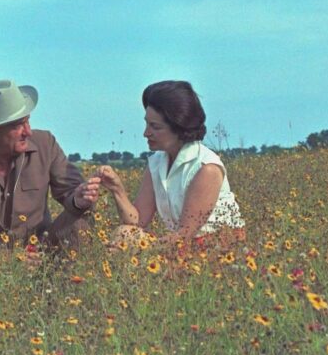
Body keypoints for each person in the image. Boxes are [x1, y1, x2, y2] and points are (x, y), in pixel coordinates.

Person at [0, 79, 101, 262]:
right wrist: (7, 259)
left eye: (28, 122)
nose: (28, 132)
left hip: (44, 251)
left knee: (80, 218)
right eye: (17, 125)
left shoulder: (45, 145)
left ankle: (69, 284)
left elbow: (71, 192)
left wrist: (79, 200)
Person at [98, 80, 245, 253]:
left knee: (124, 243)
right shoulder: (156, 162)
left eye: (155, 127)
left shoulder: (206, 168)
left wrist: (136, 251)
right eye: (147, 124)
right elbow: (137, 222)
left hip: (216, 250)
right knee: (125, 234)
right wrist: (117, 190)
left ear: (178, 127)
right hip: (181, 245)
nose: (146, 133)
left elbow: (185, 235)